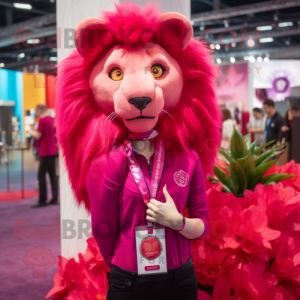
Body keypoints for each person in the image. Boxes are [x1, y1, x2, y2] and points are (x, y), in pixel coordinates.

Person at [28, 104, 58, 208]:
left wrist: (30, 131)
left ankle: (42, 200)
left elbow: (38, 135)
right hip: (53, 151)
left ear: (39, 110)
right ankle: (54, 198)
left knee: (41, 176)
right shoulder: (52, 119)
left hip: (45, 152)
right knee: (53, 176)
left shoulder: (42, 120)